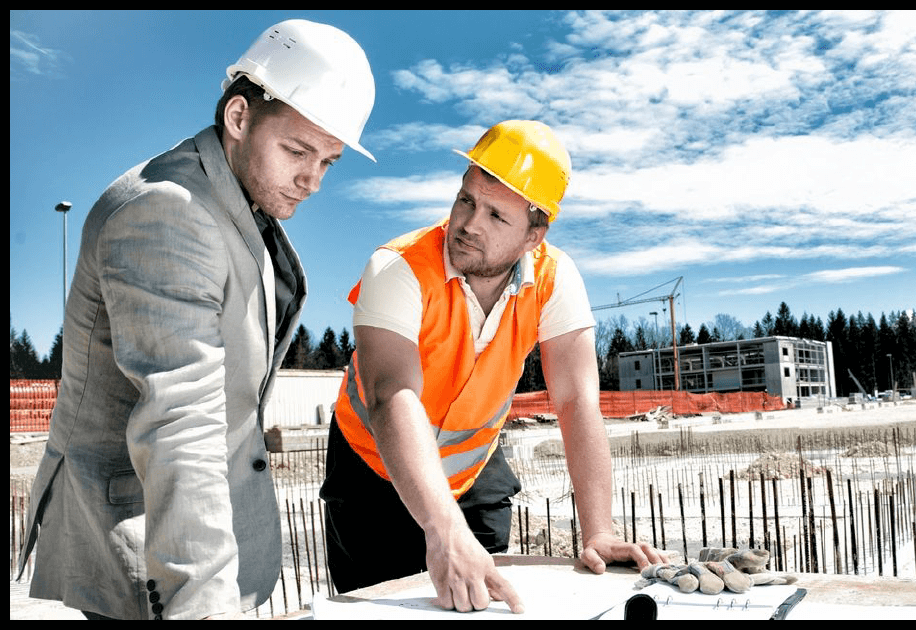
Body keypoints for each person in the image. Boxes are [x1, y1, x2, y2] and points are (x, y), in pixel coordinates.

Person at [16, 19, 376, 620]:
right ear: (239, 118)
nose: (313, 180)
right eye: (297, 150)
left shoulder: (236, 201)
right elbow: (180, 418)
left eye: (329, 162)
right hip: (142, 533)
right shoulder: (167, 210)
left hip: (189, 529)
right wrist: (204, 602)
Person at [320, 120, 668, 613]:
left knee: (480, 608)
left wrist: (599, 530)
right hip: (372, 474)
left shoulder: (554, 278)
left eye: (496, 217)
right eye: (466, 200)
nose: (469, 224)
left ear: (534, 234)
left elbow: (574, 401)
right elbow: (390, 394)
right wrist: (444, 532)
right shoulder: (397, 267)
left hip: (473, 477)